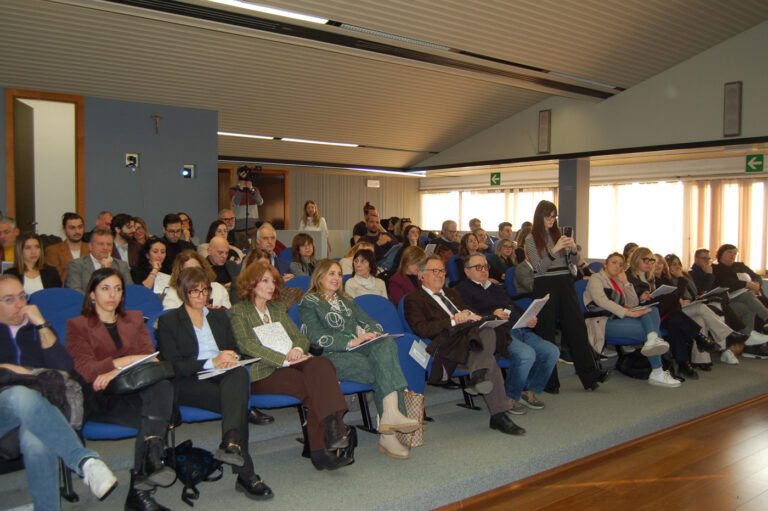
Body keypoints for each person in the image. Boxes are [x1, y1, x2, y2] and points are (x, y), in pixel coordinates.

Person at [0, 275, 118, 509]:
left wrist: (42, 324)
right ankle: (83, 460)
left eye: (22, 296)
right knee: (20, 395)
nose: (19, 304)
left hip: (37, 415)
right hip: (4, 412)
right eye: (9, 299)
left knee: (36, 440)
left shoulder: (35, 328)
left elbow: (64, 368)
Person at [156, 267, 274, 499]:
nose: (201, 296)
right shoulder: (169, 321)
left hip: (221, 375)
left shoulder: (219, 316)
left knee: (239, 374)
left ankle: (231, 443)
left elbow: (236, 350)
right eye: (195, 291)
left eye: (205, 290)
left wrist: (232, 358)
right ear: (182, 292)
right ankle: (245, 473)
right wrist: (211, 361)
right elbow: (173, 366)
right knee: (236, 403)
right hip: (188, 381)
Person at [65, 268, 175, 511]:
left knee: (160, 388)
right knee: (155, 410)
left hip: (134, 390)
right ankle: (146, 476)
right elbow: (85, 369)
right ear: (92, 294)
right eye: (105, 288)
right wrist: (120, 362)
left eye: (117, 289)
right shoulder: (78, 325)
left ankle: (144, 477)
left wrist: (116, 370)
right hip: (102, 397)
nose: (112, 295)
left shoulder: (133, 319)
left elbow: (149, 358)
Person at [230, 262, 354, 469]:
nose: (271, 286)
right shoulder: (239, 312)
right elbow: (247, 345)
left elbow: (299, 336)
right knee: (315, 386)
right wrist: (282, 360)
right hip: (263, 371)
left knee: (322, 364)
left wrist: (297, 349)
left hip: (291, 362)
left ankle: (330, 435)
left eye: (274, 282)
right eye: (265, 281)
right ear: (251, 283)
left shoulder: (277, 308)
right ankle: (325, 445)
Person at [299, 259, 420, 459]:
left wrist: (371, 334)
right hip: (330, 356)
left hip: (356, 350)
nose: (337, 278)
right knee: (383, 369)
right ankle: (388, 433)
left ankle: (390, 416)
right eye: (331, 273)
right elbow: (315, 336)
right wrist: (353, 341)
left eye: (339, 274)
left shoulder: (346, 301)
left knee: (386, 344)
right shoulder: (309, 302)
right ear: (319, 277)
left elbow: (372, 323)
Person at [403, 255, 524, 435]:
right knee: (487, 352)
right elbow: (422, 329)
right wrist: (452, 321)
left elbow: (475, 314)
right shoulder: (414, 299)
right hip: (448, 345)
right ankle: (496, 411)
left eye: (442, 271)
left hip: (471, 342)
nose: (440, 275)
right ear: (421, 275)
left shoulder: (453, 293)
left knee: (488, 330)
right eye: (434, 271)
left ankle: (481, 381)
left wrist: (468, 313)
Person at [456, 253, 560, 411]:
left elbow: (511, 306)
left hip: (519, 328)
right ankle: (510, 397)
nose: (484, 270)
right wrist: (492, 315)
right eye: (478, 267)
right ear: (467, 271)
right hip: (497, 333)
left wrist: (528, 318)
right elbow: (471, 317)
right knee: (526, 355)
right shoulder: (462, 290)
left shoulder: (496, 287)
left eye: (485, 266)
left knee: (552, 351)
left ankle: (528, 390)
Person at [525, 200, 606, 392]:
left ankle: (590, 376)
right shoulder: (531, 238)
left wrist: (573, 249)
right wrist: (554, 250)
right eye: (548, 216)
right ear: (539, 217)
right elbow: (539, 268)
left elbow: (574, 262)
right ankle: (549, 382)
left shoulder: (559, 234)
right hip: (545, 284)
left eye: (554, 216)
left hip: (565, 282)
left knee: (577, 328)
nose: (552, 220)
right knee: (546, 333)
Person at [583, 253, 679, 387]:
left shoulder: (617, 280)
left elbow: (634, 303)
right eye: (614, 262)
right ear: (605, 264)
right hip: (604, 321)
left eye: (621, 264)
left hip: (621, 318)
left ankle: (653, 345)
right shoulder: (596, 278)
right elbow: (601, 301)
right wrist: (628, 313)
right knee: (649, 330)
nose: (617, 267)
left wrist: (626, 283)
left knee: (652, 310)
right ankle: (657, 370)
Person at [626, 247, 714, 380]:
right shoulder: (628, 275)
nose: (650, 263)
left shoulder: (647, 276)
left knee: (673, 323)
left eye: (652, 260)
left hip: (656, 313)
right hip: (638, 313)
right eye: (646, 260)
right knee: (671, 301)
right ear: (637, 258)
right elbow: (628, 297)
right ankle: (697, 337)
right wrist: (641, 296)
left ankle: (683, 363)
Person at [664, 253, 765, 366]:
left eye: (679, 264)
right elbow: (676, 296)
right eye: (673, 264)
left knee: (712, 311)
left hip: (695, 305)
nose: (677, 267)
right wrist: (684, 280)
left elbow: (695, 291)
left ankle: (702, 360)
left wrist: (697, 291)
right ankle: (730, 340)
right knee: (711, 309)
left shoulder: (686, 275)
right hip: (681, 310)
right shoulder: (669, 278)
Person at [712, 244, 768, 359]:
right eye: (729, 252)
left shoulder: (740, 266)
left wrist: (757, 283)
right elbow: (725, 283)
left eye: (734, 253)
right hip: (728, 301)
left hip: (743, 300)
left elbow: (756, 276)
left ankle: (748, 345)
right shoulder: (716, 268)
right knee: (748, 296)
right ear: (721, 254)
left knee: (749, 306)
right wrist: (746, 284)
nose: (733, 255)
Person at [65, 229, 133, 293]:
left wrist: (108, 270)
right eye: (101, 244)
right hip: (87, 304)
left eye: (109, 244)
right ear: (90, 246)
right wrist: (96, 300)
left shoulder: (122, 265)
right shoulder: (77, 265)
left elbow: (129, 291)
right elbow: (75, 290)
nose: (105, 248)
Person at [162, 250, 232, 310]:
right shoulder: (173, 292)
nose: (194, 274)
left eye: (197, 269)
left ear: (204, 269)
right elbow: (169, 320)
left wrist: (217, 313)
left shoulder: (218, 289)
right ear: (180, 274)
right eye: (188, 271)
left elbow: (229, 316)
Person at [46, 212, 90, 282]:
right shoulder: (53, 250)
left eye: (80, 227)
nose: (77, 231)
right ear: (64, 229)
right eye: (72, 228)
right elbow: (54, 278)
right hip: (64, 290)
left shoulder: (91, 248)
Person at [230, 165, 264, 247]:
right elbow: (236, 202)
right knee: (240, 248)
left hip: (253, 227)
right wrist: (240, 189)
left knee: (254, 248)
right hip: (239, 228)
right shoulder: (233, 189)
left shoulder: (255, 189)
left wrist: (251, 189)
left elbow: (260, 202)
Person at [207, 237, 240, 305]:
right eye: (220, 252)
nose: (224, 256)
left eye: (226, 253)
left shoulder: (232, 265)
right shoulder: (203, 268)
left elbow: (240, 286)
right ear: (209, 251)